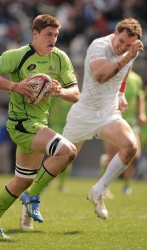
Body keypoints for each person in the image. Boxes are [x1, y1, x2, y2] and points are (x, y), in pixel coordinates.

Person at [20, 18, 144, 222]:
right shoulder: (99, 45)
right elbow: (100, 75)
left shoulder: (130, 52)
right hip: (83, 114)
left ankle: (98, 190)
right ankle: (31, 199)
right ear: (115, 33)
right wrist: (128, 55)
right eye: (121, 41)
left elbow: (127, 69)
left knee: (130, 147)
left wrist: (121, 94)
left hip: (108, 113)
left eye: (128, 45)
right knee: (61, 163)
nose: (123, 47)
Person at [0, 14, 80, 239]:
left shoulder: (60, 58)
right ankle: (33, 196)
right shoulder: (18, 55)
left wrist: (60, 91)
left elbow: (76, 93)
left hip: (39, 124)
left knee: (22, 180)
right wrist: (15, 86)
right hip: (22, 124)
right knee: (68, 151)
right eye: (48, 35)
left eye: (56, 35)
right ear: (35, 34)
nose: (52, 39)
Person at [100, 70, 146, 197]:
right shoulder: (112, 75)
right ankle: (103, 186)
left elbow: (139, 97)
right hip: (113, 120)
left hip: (131, 122)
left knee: (135, 155)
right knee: (112, 154)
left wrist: (141, 113)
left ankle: (126, 185)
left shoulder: (136, 79)